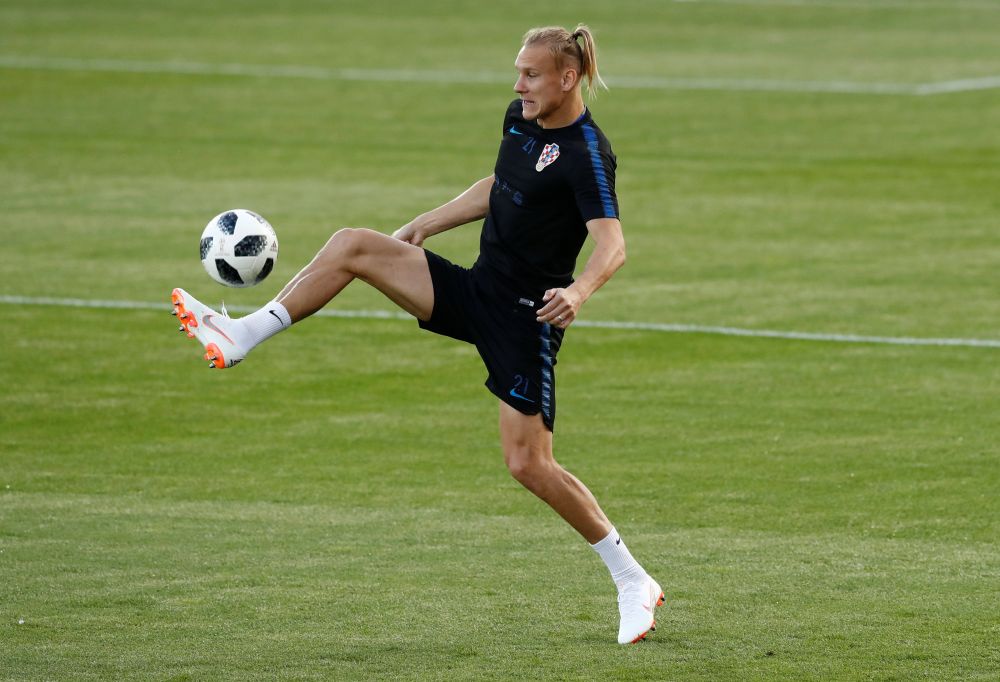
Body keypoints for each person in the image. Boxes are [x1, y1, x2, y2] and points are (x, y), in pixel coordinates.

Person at [171, 24, 663, 645]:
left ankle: (632, 580)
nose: (518, 84)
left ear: (568, 79)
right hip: (476, 290)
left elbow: (612, 244)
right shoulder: (521, 118)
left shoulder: (590, 153)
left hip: (525, 320)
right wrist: (428, 221)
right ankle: (242, 332)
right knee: (354, 245)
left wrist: (579, 292)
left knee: (528, 465)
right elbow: (501, 187)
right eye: (518, 72)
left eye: (531, 75)